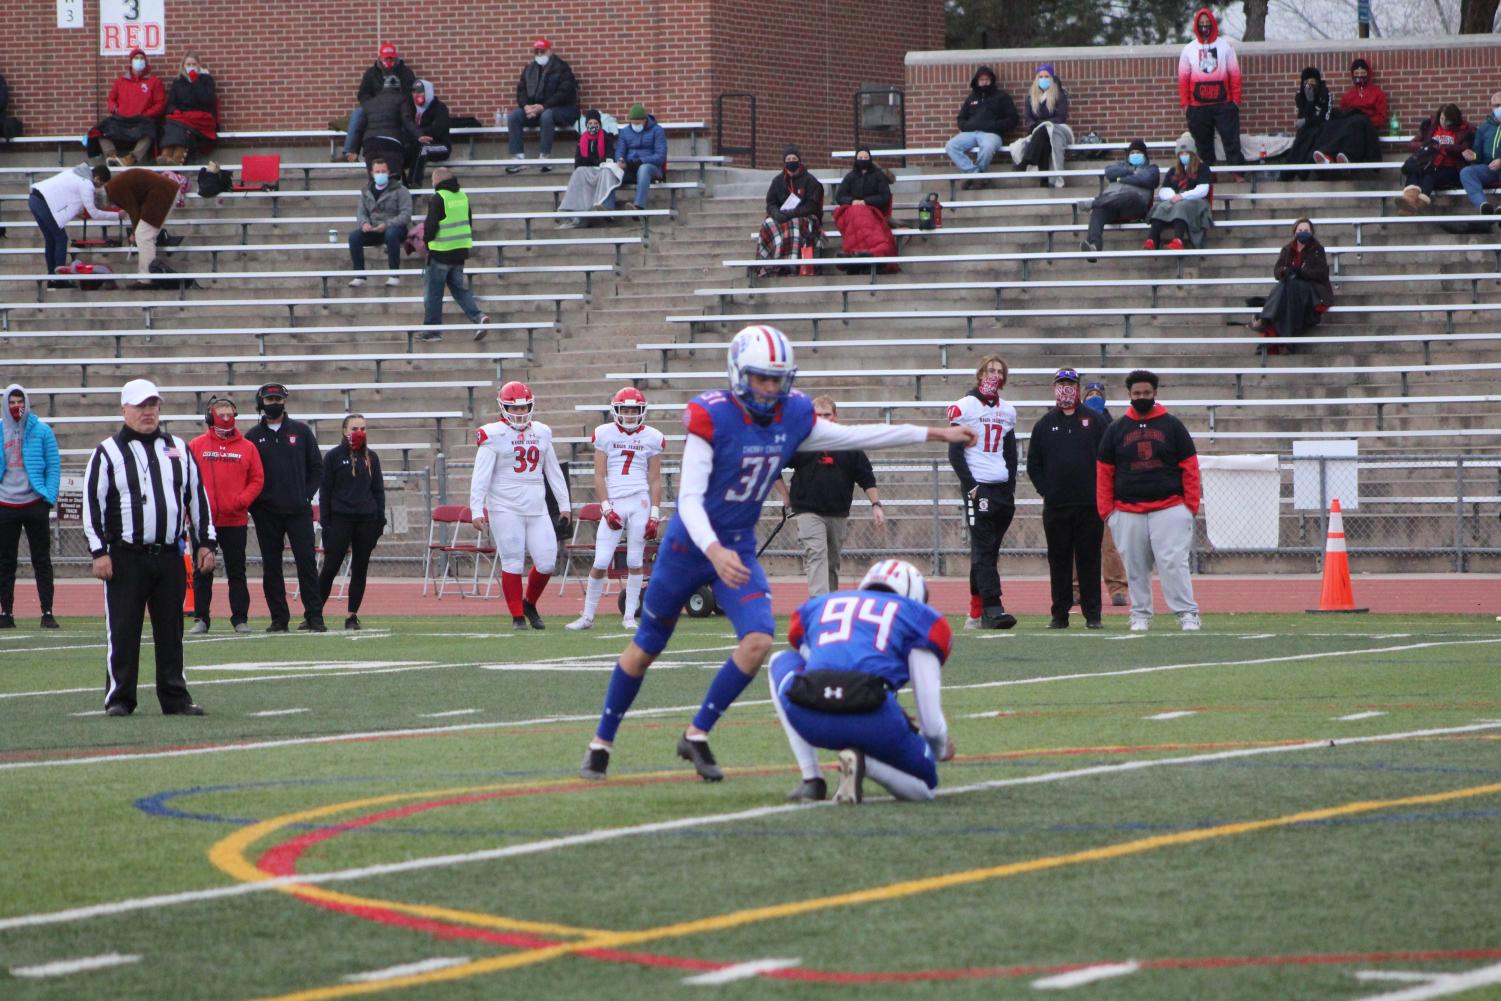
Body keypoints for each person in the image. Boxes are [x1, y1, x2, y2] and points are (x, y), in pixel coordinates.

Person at [577, 325, 975, 783]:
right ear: (739, 373)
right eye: (761, 377)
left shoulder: (794, 415)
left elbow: (855, 436)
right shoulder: (712, 416)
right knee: (647, 647)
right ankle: (601, 742)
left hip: (737, 545)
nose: (769, 387)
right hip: (689, 546)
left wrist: (934, 434)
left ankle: (697, 733)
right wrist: (712, 549)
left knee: (758, 640)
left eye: (777, 378)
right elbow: (688, 498)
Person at [770, 559, 954, 805]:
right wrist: (938, 748)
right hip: (872, 717)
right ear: (914, 595)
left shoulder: (819, 605)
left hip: (809, 713)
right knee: (925, 787)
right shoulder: (917, 617)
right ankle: (866, 763)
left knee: (779, 659)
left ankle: (811, 777)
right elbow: (929, 717)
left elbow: (812, 664)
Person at [84, 379, 215, 716]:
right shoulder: (107, 452)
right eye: (141, 406)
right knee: (124, 629)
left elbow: (197, 498)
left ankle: (175, 697)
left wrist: (205, 543)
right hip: (127, 556)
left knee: (171, 632)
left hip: (171, 554)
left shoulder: (178, 448)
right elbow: (92, 505)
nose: (148, 412)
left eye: (153, 405)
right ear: (124, 409)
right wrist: (99, 552)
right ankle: (119, 698)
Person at [1096, 370, 1201, 633]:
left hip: (1170, 507)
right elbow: (1104, 471)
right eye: (1136, 394)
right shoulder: (1116, 429)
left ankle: (1187, 613)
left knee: (1173, 563)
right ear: (1129, 395)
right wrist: (1107, 511)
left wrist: (1190, 506)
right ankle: (1140, 613)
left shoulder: (1172, 425)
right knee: (1134, 566)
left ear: (1155, 393)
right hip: (1127, 510)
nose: (1141, 397)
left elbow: (1189, 466)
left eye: (1146, 393)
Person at [470, 382, 572, 630]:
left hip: (537, 507)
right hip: (505, 507)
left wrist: (564, 504)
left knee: (548, 562)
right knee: (513, 562)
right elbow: (480, 475)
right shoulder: (492, 434)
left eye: (524, 407)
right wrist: (476, 509)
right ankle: (517, 617)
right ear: (503, 408)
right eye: (513, 408)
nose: (519, 412)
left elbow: (553, 471)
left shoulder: (542, 431)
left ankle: (529, 603)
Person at [567, 387, 664, 631]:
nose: (630, 415)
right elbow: (599, 475)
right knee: (600, 560)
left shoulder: (653, 437)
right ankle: (588, 616)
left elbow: (655, 479)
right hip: (616, 502)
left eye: (634, 410)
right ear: (616, 411)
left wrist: (654, 513)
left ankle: (629, 616)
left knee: (634, 559)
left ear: (642, 411)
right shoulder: (604, 434)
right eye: (626, 410)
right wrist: (606, 507)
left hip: (640, 500)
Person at [1026, 368, 1109, 630]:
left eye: (1070, 384)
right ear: (1054, 387)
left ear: (1078, 387)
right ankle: (1059, 614)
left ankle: (1093, 614)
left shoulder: (1095, 421)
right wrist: (1046, 490)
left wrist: (1100, 491)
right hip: (1056, 506)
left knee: (1089, 560)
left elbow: (1108, 458)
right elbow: (1033, 464)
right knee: (1059, 561)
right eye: (1061, 383)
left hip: (1088, 505)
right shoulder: (1044, 424)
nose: (1066, 388)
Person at [779, 396, 883, 597]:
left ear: (835, 416)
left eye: (827, 415)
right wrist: (785, 495)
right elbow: (774, 465)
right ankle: (819, 602)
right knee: (816, 553)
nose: (823, 419)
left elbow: (866, 476)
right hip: (808, 509)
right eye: (818, 416)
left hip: (838, 511)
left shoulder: (849, 444)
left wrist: (876, 504)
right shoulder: (801, 442)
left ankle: (830, 601)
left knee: (832, 562)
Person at [243, 383, 326, 633]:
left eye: (277, 399)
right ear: (261, 403)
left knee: (306, 564)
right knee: (271, 566)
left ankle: (314, 616)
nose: (273, 403)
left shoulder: (301, 432)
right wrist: (256, 504)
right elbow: (246, 473)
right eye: (269, 400)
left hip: (298, 511)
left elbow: (317, 468)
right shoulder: (252, 437)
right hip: (266, 513)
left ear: (285, 401)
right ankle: (278, 618)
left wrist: (305, 496)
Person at [948, 355, 1018, 631]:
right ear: (979, 374)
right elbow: (954, 452)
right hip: (980, 487)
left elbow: (1010, 453)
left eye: (999, 372)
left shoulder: (1008, 411)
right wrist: (972, 486)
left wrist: (1011, 486)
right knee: (985, 551)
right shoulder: (965, 406)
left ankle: (975, 613)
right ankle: (992, 608)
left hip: (1001, 488)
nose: (994, 375)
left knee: (986, 552)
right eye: (990, 370)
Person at [187, 396, 263, 635]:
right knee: (202, 570)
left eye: (230, 413)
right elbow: (186, 479)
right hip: (203, 521)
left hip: (235, 520)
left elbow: (257, 479)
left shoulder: (247, 447)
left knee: (237, 571)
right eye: (221, 413)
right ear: (211, 416)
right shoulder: (197, 445)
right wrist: (193, 509)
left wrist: (241, 501)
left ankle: (240, 618)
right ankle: (201, 618)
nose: (226, 418)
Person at [0, 385, 60, 630]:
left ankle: (47, 611)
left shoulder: (42, 431)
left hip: (35, 503)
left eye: (20, 401)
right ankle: (6, 612)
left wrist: (48, 497)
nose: (16, 406)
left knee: (42, 560)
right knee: (5, 562)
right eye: (12, 401)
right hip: (5, 504)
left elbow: (53, 466)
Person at [318, 414, 385, 631]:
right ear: (344, 430)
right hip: (340, 519)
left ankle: (352, 615)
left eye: (363, 428)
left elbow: (378, 491)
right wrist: (326, 524)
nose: (359, 432)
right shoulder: (333, 457)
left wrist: (379, 521)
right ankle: (314, 613)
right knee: (330, 567)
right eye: (355, 428)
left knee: (360, 568)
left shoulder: (371, 458)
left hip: (366, 520)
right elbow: (325, 492)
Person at [420, 167, 491, 341]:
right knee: (460, 291)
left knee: (433, 294)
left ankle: (432, 331)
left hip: (441, 252)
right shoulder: (462, 196)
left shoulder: (439, 198)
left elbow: (431, 225)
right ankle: (478, 317)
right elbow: (469, 221)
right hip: (459, 253)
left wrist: (426, 241)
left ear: (436, 181)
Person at [1075, 381, 1129, 608]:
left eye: (1098, 393)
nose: (1094, 397)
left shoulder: (1113, 426)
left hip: (1106, 491)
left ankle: (1117, 588)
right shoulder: (1074, 423)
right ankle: (1076, 589)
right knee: (1078, 543)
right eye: (1091, 394)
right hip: (1080, 489)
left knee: (1110, 544)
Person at [1249, 219, 1333, 348]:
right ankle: (1286, 344)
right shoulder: (1287, 249)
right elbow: (1277, 272)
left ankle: (1265, 319)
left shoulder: (1317, 249)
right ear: (1295, 232)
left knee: (1286, 287)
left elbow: (1321, 274)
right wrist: (1284, 271)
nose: (1303, 232)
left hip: (1310, 289)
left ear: (1311, 232)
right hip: (1291, 289)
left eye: (1306, 230)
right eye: (1300, 230)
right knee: (1285, 286)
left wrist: (1300, 272)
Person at [29, 163, 119, 281]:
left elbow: (69, 195)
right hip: (44, 204)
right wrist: (118, 215)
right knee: (61, 238)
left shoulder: (75, 173)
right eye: (100, 184)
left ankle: (52, 276)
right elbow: (94, 213)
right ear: (97, 179)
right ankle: (59, 278)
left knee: (51, 240)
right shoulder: (86, 184)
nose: (98, 187)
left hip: (34, 199)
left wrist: (77, 212)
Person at [1178, 8, 1243, 168]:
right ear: (1196, 25)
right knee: (1203, 145)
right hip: (1197, 107)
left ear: (1213, 24)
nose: (1205, 26)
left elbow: (1235, 75)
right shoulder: (1188, 50)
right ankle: (1208, 176)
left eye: (1207, 23)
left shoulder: (1225, 47)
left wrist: (1235, 101)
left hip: (1224, 104)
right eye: (1201, 24)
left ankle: (1238, 174)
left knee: (1231, 141)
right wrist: (1186, 104)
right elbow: (1183, 79)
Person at [504, 38, 579, 172]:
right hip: (536, 109)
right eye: (536, 51)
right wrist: (526, 106)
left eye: (542, 51)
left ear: (550, 51)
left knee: (546, 115)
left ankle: (545, 157)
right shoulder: (529, 69)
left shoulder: (562, 68)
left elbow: (564, 93)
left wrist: (543, 107)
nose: (539, 54)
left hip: (562, 109)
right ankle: (518, 158)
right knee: (514, 116)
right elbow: (521, 90)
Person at [754, 145, 824, 278]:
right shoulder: (778, 181)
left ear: (799, 160)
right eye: (788, 159)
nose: (791, 161)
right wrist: (776, 214)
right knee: (768, 223)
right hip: (782, 217)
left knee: (794, 225)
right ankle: (769, 265)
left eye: (794, 158)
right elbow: (771, 203)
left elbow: (812, 207)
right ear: (784, 162)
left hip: (804, 217)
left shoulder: (810, 181)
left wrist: (790, 214)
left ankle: (790, 266)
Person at [339, 43, 416, 163]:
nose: (389, 60)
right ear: (380, 57)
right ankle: (350, 152)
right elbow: (363, 94)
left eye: (391, 58)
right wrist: (372, 105)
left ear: (395, 57)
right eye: (386, 58)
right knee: (358, 113)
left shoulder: (405, 73)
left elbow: (411, 93)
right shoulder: (371, 73)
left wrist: (398, 103)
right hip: (374, 109)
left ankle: (405, 150)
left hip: (397, 107)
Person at [1081, 139, 1158, 255]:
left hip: (1136, 206)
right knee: (1098, 211)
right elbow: (1109, 172)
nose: (1135, 155)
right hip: (1114, 205)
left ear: (1145, 155)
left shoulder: (1151, 169)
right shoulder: (1121, 166)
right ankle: (1094, 246)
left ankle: (1094, 202)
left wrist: (1121, 178)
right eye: (1132, 153)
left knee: (1131, 195)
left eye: (1138, 153)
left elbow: (1147, 179)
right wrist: (1131, 171)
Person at [945, 66, 1018, 188]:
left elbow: (1013, 119)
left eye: (987, 79)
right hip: (970, 133)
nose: (984, 82)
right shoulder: (971, 98)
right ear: (977, 81)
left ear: (991, 80)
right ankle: (975, 174)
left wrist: (995, 126)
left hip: (992, 134)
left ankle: (974, 179)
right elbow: (961, 118)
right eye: (981, 79)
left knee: (988, 147)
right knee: (951, 146)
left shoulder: (1002, 97)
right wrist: (966, 126)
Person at [102, 167, 181, 278]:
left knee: (143, 236)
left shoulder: (114, 191)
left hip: (161, 193)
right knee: (146, 236)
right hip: (163, 191)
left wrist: (134, 232)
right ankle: (150, 274)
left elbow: (134, 211)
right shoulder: (115, 185)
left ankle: (146, 277)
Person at [347, 157, 412, 287]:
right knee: (354, 237)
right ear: (372, 173)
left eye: (383, 171)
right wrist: (364, 224)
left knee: (391, 234)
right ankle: (360, 275)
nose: (380, 174)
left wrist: (387, 225)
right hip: (374, 229)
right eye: (377, 171)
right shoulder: (366, 192)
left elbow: (406, 215)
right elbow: (361, 213)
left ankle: (394, 274)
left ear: (388, 172)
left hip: (395, 228)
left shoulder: (401, 190)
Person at [1399, 103, 1475, 213]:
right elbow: (1412, 144)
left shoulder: (1465, 130)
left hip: (1450, 167)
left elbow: (1463, 148)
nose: (1443, 123)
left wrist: (1444, 147)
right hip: (1429, 163)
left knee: (1430, 175)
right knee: (1414, 173)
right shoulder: (1430, 127)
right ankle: (1408, 202)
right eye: (1442, 118)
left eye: (1447, 120)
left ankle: (1418, 204)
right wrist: (1429, 146)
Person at [98, 49, 165, 167]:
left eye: (141, 58)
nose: (139, 61)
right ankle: (111, 157)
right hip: (122, 120)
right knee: (99, 130)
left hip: (142, 120)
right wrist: (115, 109)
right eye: (136, 58)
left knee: (151, 131)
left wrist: (146, 114)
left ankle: (130, 159)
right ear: (131, 61)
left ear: (145, 61)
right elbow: (111, 99)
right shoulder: (120, 81)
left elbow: (160, 104)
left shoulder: (154, 81)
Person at [1311, 59, 1386, 166]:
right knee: (1332, 122)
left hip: (1366, 128)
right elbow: (1343, 114)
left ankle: (1339, 154)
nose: (1359, 76)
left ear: (1368, 74)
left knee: (1356, 122)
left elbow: (1381, 119)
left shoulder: (1378, 94)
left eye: (1362, 73)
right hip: (1350, 126)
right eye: (1356, 73)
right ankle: (1328, 156)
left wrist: (1363, 118)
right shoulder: (1348, 96)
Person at [1009, 63, 1072, 187]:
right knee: (1044, 141)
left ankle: (1026, 162)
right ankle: (1044, 181)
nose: (1044, 79)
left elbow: (1060, 117)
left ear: (1052, 78)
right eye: (1041, 76)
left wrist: (1043, 124)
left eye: (1047, 76)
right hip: (1039, 133)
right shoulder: (1030, 97)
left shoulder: (1060, 95)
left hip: (1057, 130)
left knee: (1044, 130)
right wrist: (1034, 125)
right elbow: (1028, 118)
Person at [833, 148, 896, 270]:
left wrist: (866, 202)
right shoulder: (850, 177)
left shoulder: (878, 176)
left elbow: (884, 197)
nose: (862, 160)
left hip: (872, 211)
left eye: (865, 158)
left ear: (870, 159)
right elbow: (840, 196)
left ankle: (867, 252)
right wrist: (852, 201)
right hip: (851, 211)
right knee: (855, 213)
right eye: (860, 158)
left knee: (862, 216)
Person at [1145, 137, 1212, 250]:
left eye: (1187, 153)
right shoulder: (1173, 171)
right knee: (1161, 206)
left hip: (1197, 201)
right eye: (1181, 154)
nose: (1184, 156)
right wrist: (1173, 196)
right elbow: (1163, 190)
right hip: (1176, 199)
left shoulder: (1203, 168)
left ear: (1193, 154)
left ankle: (1178, 240)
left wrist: (1182, 196)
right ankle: (1151, 240)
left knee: (1181, 206)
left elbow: (1203, 190)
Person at [556, 109, 620, 228]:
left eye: (595, 124)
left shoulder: (606, 138)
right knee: (579, 172)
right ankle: (571, 209)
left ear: (600, 124)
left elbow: (609, 157)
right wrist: (591, 161)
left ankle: (602, 205)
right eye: (590, 124)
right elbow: (579, 161)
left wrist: (592, 161)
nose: (593, 126)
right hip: (588, 170)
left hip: (601, 169)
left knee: (607, 171)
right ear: (586, 125)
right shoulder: (582, 140)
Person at [356, 75, 420, 182]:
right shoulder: (402, 99)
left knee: (374, 182)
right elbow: (407, 121)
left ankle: (374, 197)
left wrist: (354, 149)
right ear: (398, 88)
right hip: (390, 145)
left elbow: (360, 127)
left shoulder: (370, 103)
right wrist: (419, 134)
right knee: (393, 182)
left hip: (370, 146)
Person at [158, 53, 217, 166]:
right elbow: (171, 102)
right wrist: (174, 110)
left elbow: (207, 100)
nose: (191, 66)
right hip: (181, 116)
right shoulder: (178, 82)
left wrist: (195, 81)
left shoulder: (206, 80)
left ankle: (176, 159)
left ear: (199, 65)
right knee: (172, 124)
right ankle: (166, 156)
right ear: (183, 65)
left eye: (194, 64)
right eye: (188, 64)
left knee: (181, 127)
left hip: (200, 117)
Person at [613, 103, 668, 210]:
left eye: (638, 123)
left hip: (651, 168)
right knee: (611, 171)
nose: (635, 125)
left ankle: (639, 206)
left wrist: (641, 161)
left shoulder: (657, 130)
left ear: (645, 120)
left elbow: (660, 156)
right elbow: (620, 151)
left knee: (644, 169)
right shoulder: (625, 132)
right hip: (629, 167)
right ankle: (607, 207)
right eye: (633, 123)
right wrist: (620, 160)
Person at [1284, 67, 1332, 177]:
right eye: (1306, 82)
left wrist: (1307, 121)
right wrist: (1309, 102)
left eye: (1312, 82)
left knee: (1314, 135)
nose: (1309, 85)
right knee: (1301, 137)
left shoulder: (1325, 94)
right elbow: (1302, 118)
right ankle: (1287, 173)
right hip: (1305, 130)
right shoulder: (1300, 95)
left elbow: (1325, 118)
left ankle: (1303, 172)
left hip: (1321, 130)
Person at [1459, 91, 1501, 215]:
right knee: (1467, 172)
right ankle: (1483, 205)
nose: (1499, 108)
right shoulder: (1484, 127)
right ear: (1491, 107)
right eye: (1496, 105)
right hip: (1489, 168)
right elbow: (1478, 154)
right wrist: (1473, 156)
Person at [407, 79, 451, 188]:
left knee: (423, 148)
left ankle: (414, 183)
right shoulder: (411, 109)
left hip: (441, 146)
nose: (417, 95)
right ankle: (404, 183)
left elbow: (438, 129)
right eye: (414, 92)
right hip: (418, 145)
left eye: (420, 92)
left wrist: (420, 134)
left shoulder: (440, 108)